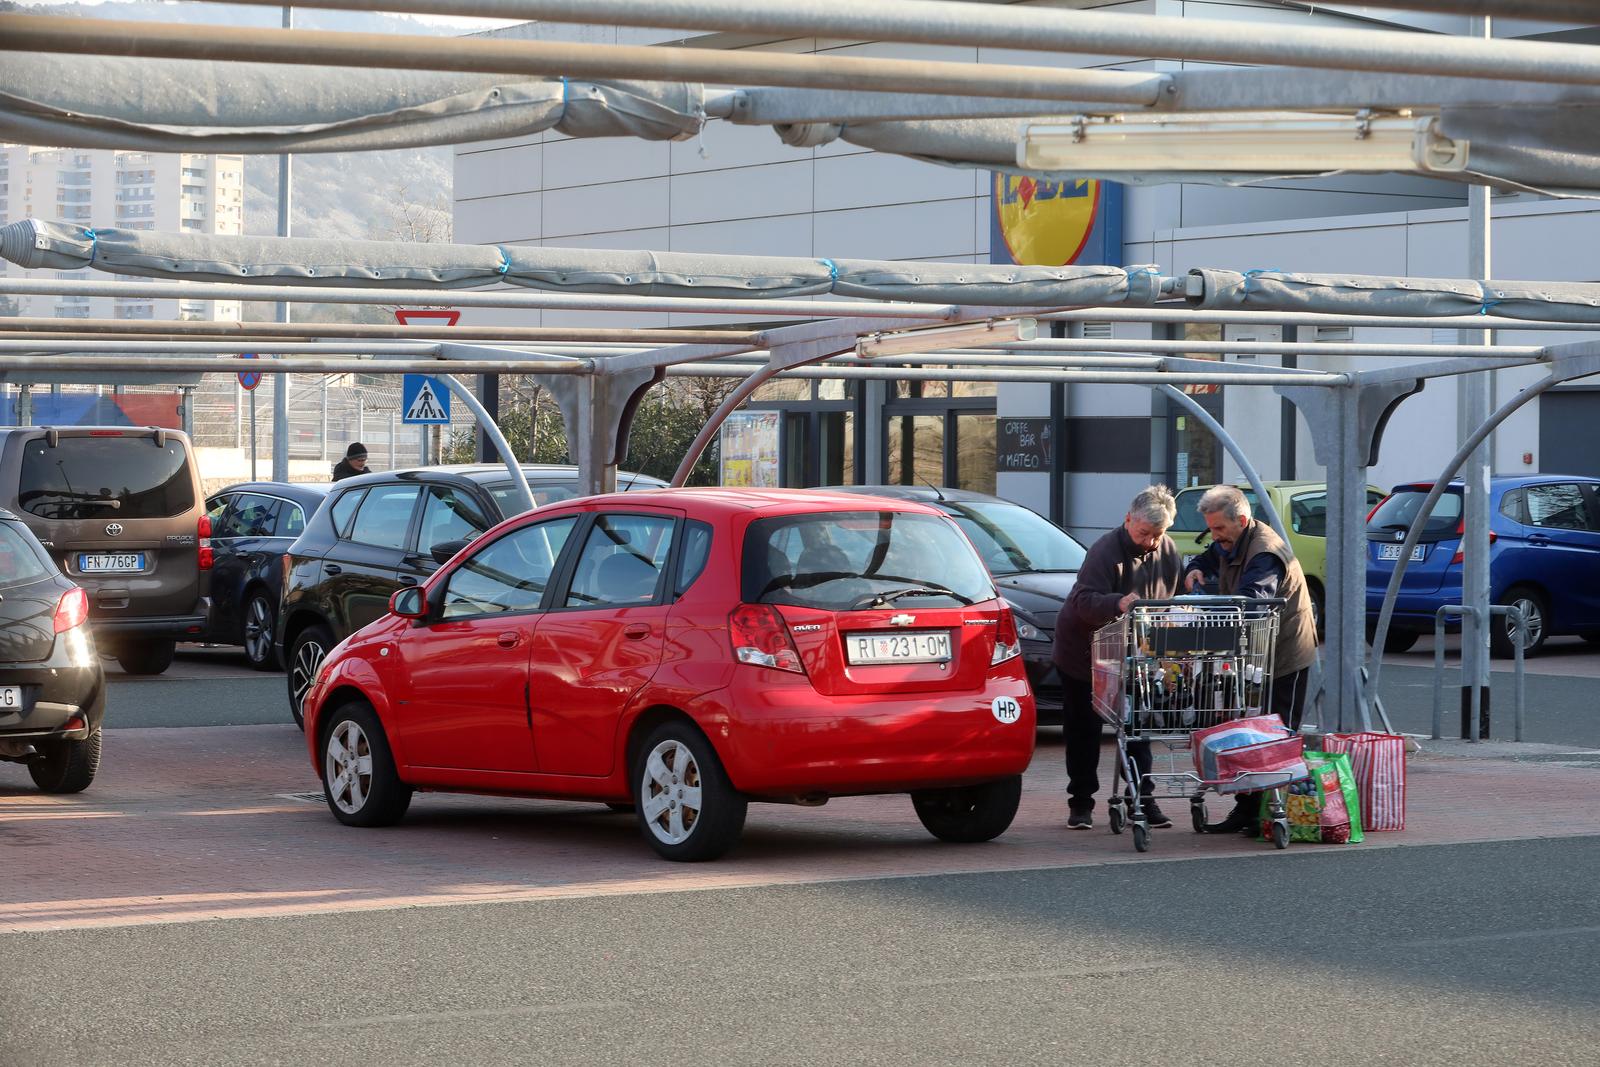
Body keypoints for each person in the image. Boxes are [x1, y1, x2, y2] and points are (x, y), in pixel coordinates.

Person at [1182, 484, 1319, 834]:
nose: (1214, 537)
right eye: (1211, 529)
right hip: (1255, 655)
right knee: (1247, 732)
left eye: (1219, 529)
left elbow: (1255, 599)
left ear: (1241, 521)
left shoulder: (1265, 553)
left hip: (1285, 654)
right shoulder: (1233, 538)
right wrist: (1197, 566)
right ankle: (1248, 811)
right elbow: (1212, 555)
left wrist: (1209, 611)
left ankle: (1271, 814)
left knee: (1275, 734)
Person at [1052, 485, 1184, 831]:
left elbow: (1176, 594)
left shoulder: (1167, 550)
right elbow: (1082, 602)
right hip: (1086, 654)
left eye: (1158, 535)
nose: (1151, 542)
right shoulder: (1104, 552)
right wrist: (1118, 603)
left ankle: (1142, 797)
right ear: (1128, 520)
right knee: (1084, 731)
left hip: (1138, 656)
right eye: (1144, 534)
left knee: (1139, 729)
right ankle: (1081, 803)